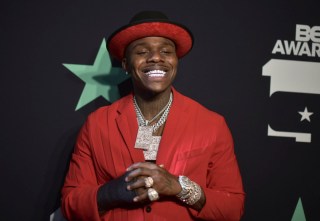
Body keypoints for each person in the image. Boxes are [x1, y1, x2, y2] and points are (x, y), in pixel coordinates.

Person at [61, 11, 245, 221]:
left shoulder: (212, 125)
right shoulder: (97, 124)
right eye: (141, 52)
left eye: (166, 51)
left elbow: (233, 208)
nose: (156, 57)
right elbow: (70, 203)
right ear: (125, 64)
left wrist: (179, 187)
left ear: (176, 60)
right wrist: (111, 193)